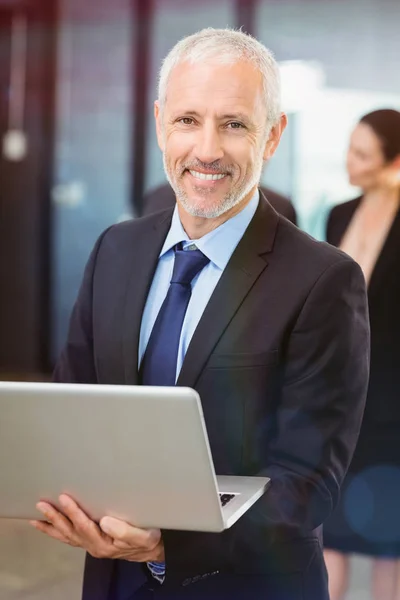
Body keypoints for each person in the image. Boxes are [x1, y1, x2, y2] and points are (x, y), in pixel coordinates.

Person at [30, 28, 369, 600]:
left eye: (233, 124)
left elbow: (309, 485)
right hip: (114, 584)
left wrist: (168, 546)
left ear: (272, 135)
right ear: (161, 122)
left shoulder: (322, 280)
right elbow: (73, 412)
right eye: (188, 120)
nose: (207, 149)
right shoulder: (115, 250)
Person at [324, 109, 400, 600]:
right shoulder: (339, 213)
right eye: (350, 148)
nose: (349, 162)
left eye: (362, 154)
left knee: (388, 543)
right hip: (339, 398)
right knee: (329, 531)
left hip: (392, 405)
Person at [142, 182, 298, 224]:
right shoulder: (157, 197)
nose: (207, 153)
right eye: (187, 121)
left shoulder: (280, 206)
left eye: (235, 125)